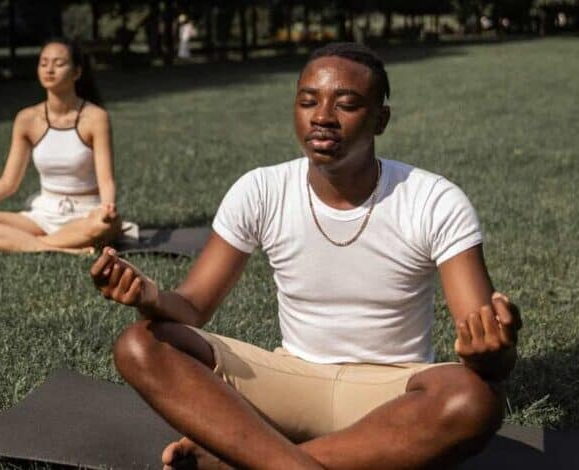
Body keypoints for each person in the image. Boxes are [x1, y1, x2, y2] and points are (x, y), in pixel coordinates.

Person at [90, 42, 522, 469]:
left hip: (393, 393)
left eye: (347, 104)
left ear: (381, 119)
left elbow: (485, 349)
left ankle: (239, 459)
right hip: (289, 380)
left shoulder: (433, 199)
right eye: (308, 101)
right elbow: (192, 307)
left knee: (473, 399)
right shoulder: (260, 189)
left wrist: (491, 350)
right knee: (141, 343)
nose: (322, 117)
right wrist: (150, 296)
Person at [0, 39, 121, 254]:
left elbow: (106, 180)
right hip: (43, 216)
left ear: (76, 72)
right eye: (44, 63)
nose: (49, 69)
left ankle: (28, 244)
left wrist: (107, 208)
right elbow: (7, 183)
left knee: (102, 227)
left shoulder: (95, 118)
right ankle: (62, 248)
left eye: (59, 63)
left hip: (87, 215)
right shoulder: (27, 119)